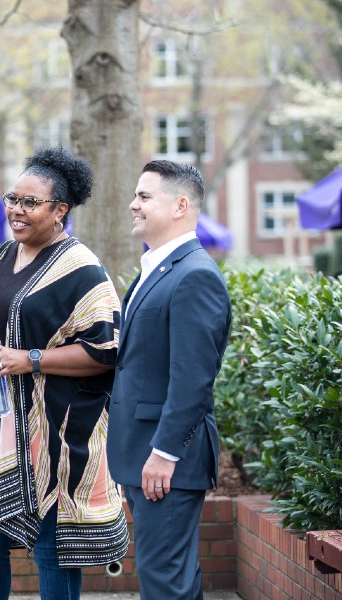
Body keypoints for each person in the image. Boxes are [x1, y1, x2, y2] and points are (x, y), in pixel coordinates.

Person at [0, 147, 129, 600]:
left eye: (31, 202)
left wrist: (28, 359)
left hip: (53, 434)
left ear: (60, 210)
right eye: (13, 198)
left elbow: (106, 350)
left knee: (52, 550)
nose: (16, 210)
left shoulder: (81, 268)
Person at [107, 160, 232, 600]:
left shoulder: (195, 275)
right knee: (167, 578)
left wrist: (163, 453)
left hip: (165, 461)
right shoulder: (154, 269)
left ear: (180, 205)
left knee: (165, 582)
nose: (132, 205)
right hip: (141, 454)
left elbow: (193, 380)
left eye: (144, 196)